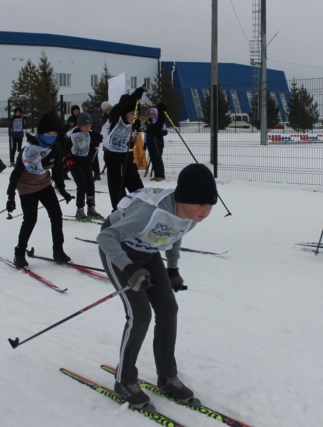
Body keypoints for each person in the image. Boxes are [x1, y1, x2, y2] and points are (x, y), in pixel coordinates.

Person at [97, 163, 217, 411]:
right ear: (184, 198)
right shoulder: (148, 212)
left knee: (168, 310)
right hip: (119, 249)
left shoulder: (191, 215)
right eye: (201, 204)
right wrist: (129, 268)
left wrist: (172, 269)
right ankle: (125, 381)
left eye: (210, 204)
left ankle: (167, 377)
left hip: (148, 251)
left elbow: (176, 232)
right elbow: (106, 238)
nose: (206, 211)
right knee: (140, 314)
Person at [7, 112, 74, 269]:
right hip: (27, 188)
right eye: (48, 133)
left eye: (54, 133)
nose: (51, 136)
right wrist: (10, 197)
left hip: (44, 185)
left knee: (56, 215)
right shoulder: (28, 150)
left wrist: (63, 191)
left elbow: (57, 171)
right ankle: (19, 252)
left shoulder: (55, 149)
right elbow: (15, 174)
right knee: (30, 219)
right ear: (41, 133)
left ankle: (58, 250)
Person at [103, 87, 146, 209]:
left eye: (137, 114)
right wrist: (134, 97)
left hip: (128, 157)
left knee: (138, 189)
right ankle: (119, 212)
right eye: (132, 113)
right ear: (125, 113)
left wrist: (159, 111)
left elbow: (154, 128)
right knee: (117, 190)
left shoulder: (137, 123)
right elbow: (118, 109)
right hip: (113, 157)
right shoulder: (116, 119)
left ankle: (140, 210)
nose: (135, 116)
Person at [66, 112, 104, 220]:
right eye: (85, 126)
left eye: (89, 126)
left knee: (90, 184)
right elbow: (66, 147)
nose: (87, 128)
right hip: (75, 163)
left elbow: (101, 138)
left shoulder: (89, 133)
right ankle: (80, 210)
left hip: (86, 161)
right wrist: (68, 157)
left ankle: (91, 208)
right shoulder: (73, 134)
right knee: (82, 185)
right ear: (79, 125)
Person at [144, 103, 168, 181]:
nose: (151, 115)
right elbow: (146, 134)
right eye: (150, 113)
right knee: (153, 159)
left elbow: (165, 132)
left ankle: (161, 175)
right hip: (150, 143)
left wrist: (157, 133)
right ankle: (156, 175)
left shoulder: (160, 122)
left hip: (158, 143)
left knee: (158, 158)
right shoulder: (148, 122)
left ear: (156, 114)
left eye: (153, 113)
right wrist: (145, 142)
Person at [83, 101, 104, 180]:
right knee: (90, 157)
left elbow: (98, 125)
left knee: (93, 157)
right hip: (89, 138)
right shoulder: (88, 114)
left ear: (89, 107)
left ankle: (96, 174)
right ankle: (93, 173)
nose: (84, 108)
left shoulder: (93, 114)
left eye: (85, 107)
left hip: (93, 139)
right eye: (83, 107)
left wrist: (94, 135)